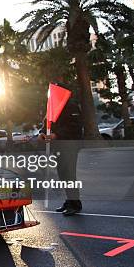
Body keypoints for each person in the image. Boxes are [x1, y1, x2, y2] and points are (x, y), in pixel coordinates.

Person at [42, 83, 84, 216]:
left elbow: (74, 127)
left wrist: (56, 135)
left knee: (69, 174)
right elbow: (47, 123)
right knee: (63, 174)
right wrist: (42, 133)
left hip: (70, 145)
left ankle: (75, 204)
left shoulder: (71, 105)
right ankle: (70, 200)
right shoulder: (54, 105)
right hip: (59, 146)